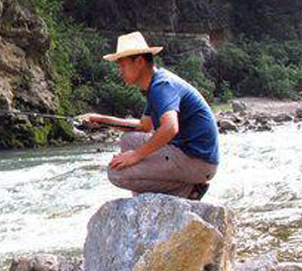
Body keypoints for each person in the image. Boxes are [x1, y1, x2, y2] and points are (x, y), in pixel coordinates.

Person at [79, 31, 220, 200]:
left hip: (197, 162)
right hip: (189, 155)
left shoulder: (162, 86)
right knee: (128, 139)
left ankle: (187, 189)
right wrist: (102, 120)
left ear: (139, 62)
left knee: (116, 174)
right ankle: (152, 197)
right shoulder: (156, 84)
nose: (119, 71)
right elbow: (144, 126)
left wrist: (135, 156)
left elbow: (170, 127)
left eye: (122, 65)